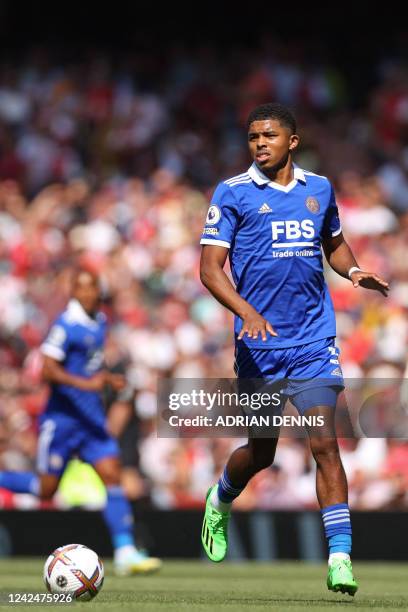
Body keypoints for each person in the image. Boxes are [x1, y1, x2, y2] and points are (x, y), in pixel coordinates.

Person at [199, 103, 389, 596]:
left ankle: (341, 558)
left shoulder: (319, 189)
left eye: (268, 135)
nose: (260, 143)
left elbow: (335, 242)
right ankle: (219, 501)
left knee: (324, 443)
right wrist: (246, 312)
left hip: (312, 340)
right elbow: (209, 269)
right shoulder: (233, 193)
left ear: (292, 141)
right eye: (252, 137)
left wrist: (353, 271)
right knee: (261, 453)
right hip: (259, 347)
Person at [0, 269, 161, 576]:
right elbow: (47, 370)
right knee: (46, 489)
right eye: (81, 288)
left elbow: (90, 366)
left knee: (112, 475)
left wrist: (107, 380)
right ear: (73, 291)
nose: (87, 293)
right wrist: (87, 385)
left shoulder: (100, 321)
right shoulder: (66, 325)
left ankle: (126, 552)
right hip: (62, 422)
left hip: (91, 421)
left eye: (92, 288)